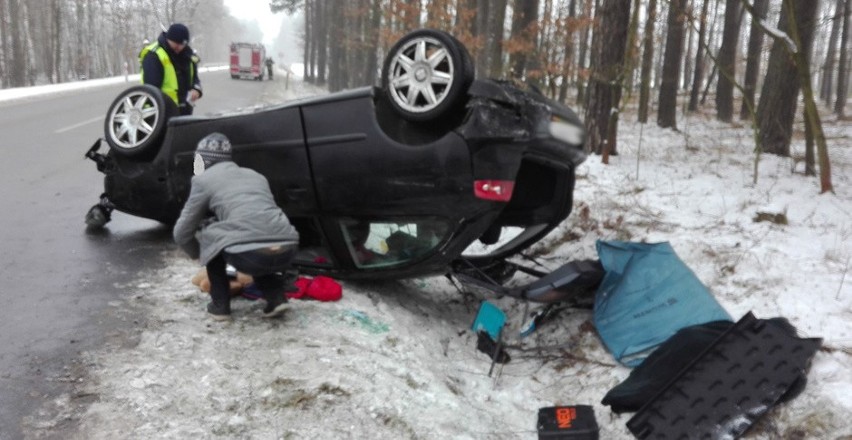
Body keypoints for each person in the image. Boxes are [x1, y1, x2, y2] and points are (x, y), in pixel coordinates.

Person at [173, 133, 300, 320]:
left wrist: (197, 253)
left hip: (251, 254)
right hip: (288, 249)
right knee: (256, 241)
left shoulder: (203, 180)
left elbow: (182, 232)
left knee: (212, 235)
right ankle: (277, 299)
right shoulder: (256, 175)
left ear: (203, 160)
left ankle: (220, 306)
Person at [140, 23, 202, 115]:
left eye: (182, 44)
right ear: (169, 39)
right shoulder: (154, 55)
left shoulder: (188, 55)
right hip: (162, 112)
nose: (180, 47)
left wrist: (196, 89)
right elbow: (151, 89)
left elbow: (195, 79)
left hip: (185, 110)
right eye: (177, 44)